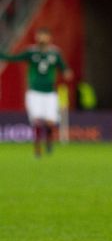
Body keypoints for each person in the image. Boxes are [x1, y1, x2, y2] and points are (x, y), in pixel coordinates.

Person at [0, 28, 73, 157]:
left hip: (50, 93)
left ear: (49, 38)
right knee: (37, 121)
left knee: (50, 122)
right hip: (34, 93)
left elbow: (63, 67)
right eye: (39, 36)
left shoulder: (55, 53)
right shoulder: (31, 52)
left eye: (44, 36)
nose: (41, 39)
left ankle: (49, 143)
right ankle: (37, 149)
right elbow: (14, 58)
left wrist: (66, 72)